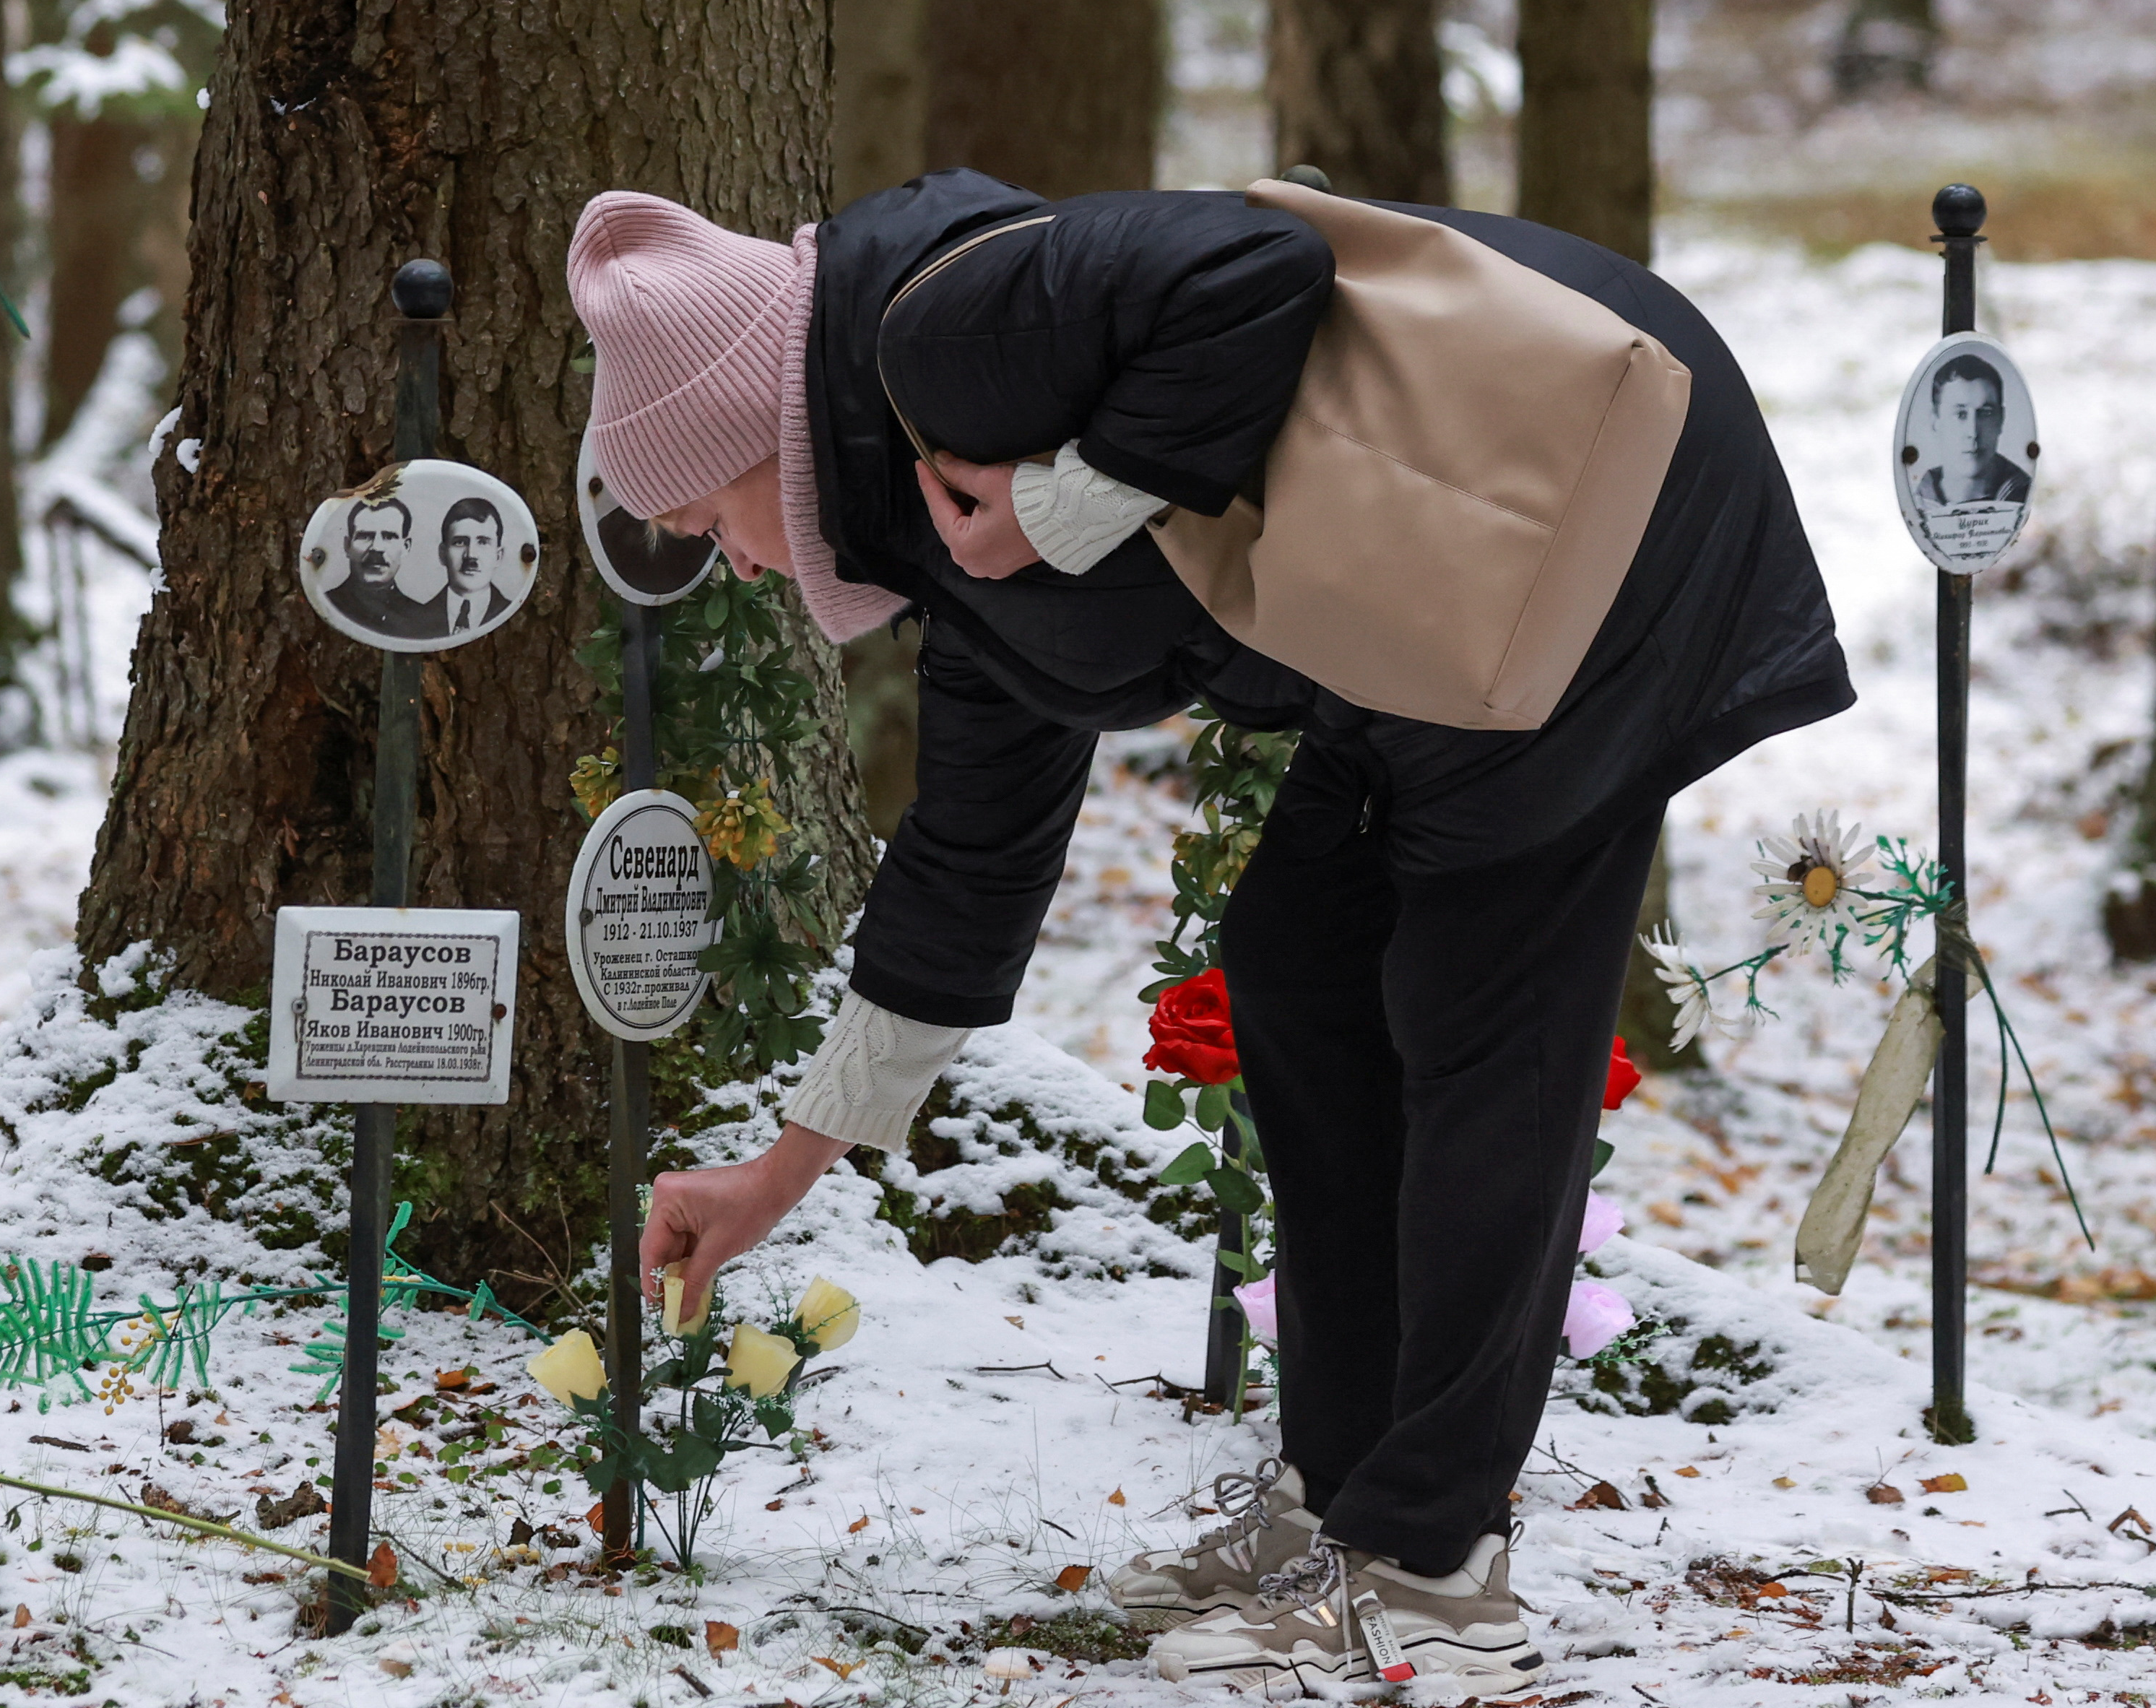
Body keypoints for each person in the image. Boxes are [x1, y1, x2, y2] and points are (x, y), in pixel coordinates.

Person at [565, 175, 1850, 1699]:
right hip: (1439, 607)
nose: (738, 558)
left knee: (1479, 1014)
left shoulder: (938, 333)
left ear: (761, 445)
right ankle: (1339, 1498)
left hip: (1592, 503)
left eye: (709, 516)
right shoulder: (942, 543)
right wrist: (784, 1171)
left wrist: (1067, 501)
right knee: (1300, 955)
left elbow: (1254, 262)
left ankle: (1433, 1574)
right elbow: (966, 870)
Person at [1910, 352, 2030, 507]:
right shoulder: (1916, 502)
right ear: (1936, 421)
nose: (1973, 433)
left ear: (2001, 419)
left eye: (1986, 413)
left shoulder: (2026, 497)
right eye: (1960, 414)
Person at [330, 496, 445, 639]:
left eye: (389, 537)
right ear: (347, 546)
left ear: (406, 547)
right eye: (365, 536)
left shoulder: (421, 621)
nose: (377, 548)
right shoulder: (328, 606)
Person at [436, 497, 513, 636]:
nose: (471, 555)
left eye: (483, 542)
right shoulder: (413, 618)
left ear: (498, 556)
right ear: (443, 554)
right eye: (460, 543)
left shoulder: (515, 616)